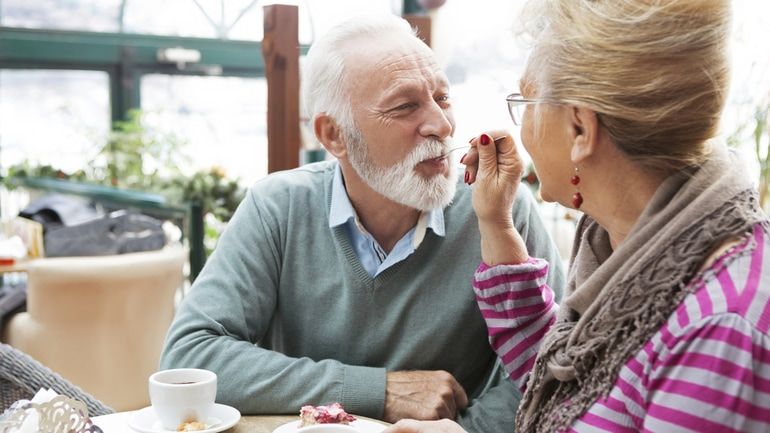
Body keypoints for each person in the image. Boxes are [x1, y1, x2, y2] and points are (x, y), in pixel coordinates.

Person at [159, 14, 565, 432]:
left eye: (442, 98)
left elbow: (558, 364)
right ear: (335, 135)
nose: (441, 125)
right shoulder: (277, 207)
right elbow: (190, 358)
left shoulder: (498, 209)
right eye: (406, 106)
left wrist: (466, 430)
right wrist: (379, 390)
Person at [384, 1, 770, 432]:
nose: (520, 124)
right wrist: (495, 221)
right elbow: (564, 385)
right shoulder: (625, 244)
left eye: (525, 101)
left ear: (580, 130)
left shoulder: (721, 328)